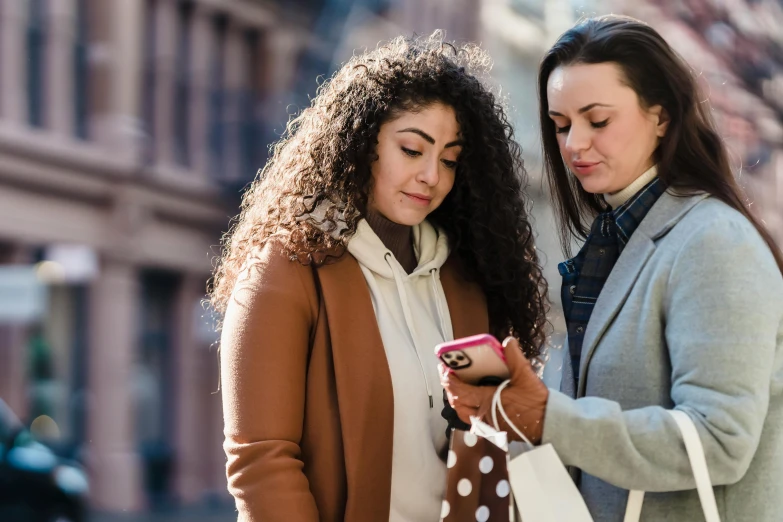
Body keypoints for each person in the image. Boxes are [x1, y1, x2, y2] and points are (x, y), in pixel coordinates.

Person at [443, 15, 783, 522]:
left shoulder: (713, 241)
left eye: (597, 120)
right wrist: (510, 412)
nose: (574, 144)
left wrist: (547, 417)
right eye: (560, 125)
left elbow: (720, 440)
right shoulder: (617, 239)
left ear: (661, 117)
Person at [209, 32, 548, 522]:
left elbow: (485, 452)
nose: (433, 175)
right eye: (413, 150)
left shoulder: (468, 281)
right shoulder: (285, 270)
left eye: (450, 159)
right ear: (361, 143)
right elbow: (261, 461)